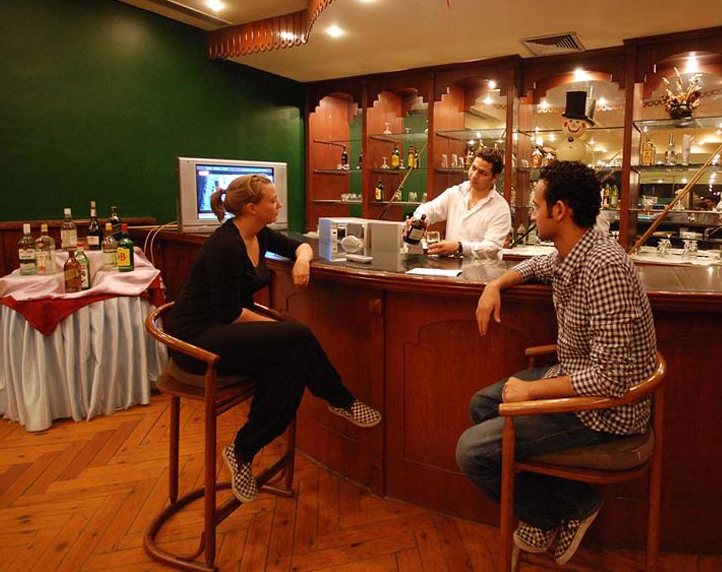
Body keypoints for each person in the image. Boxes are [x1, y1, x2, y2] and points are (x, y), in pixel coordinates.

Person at [456, 161, 657, 565]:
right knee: (481, 405)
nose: (532, 214)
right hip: (576, 380)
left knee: (471, 452)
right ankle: (575, 501)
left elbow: (612, 379)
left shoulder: (605, 267)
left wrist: (532, 391)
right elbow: (537, 266)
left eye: (536, 206)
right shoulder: (574, 250)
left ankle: (543, 515)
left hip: (605, 413)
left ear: (560, 211)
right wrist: (496, 283)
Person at [168, 174, 381, 503]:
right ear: (252, 208)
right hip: (197, 341)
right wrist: (277, 331)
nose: (279, 204)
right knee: (296, 336)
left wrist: (302, 262)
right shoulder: (225, 245)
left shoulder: (260, 234)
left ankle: (242, 450)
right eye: (272, 200)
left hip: (227, 332)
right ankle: (340, 399)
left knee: (291, 368)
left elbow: (301, 246)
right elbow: (230, 313)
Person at [405, 147, 511, 259]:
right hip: (451, 267)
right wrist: (419, 221)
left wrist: (460, 247)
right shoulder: (456, 193)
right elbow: (428, 210)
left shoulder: (500, 208)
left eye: (482, 173)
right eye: (473, 168)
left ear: (494, 177)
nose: (474, 175)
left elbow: (492, 247)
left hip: (482, 269)